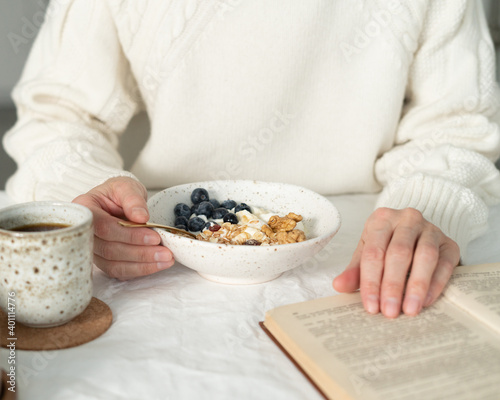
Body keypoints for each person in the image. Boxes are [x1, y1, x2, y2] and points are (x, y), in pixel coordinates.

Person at [3, 0, 500, 319]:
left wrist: (427, 207)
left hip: (364, 261)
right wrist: (89, 193)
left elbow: (457, 125)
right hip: (160, 259)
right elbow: (58, 113)